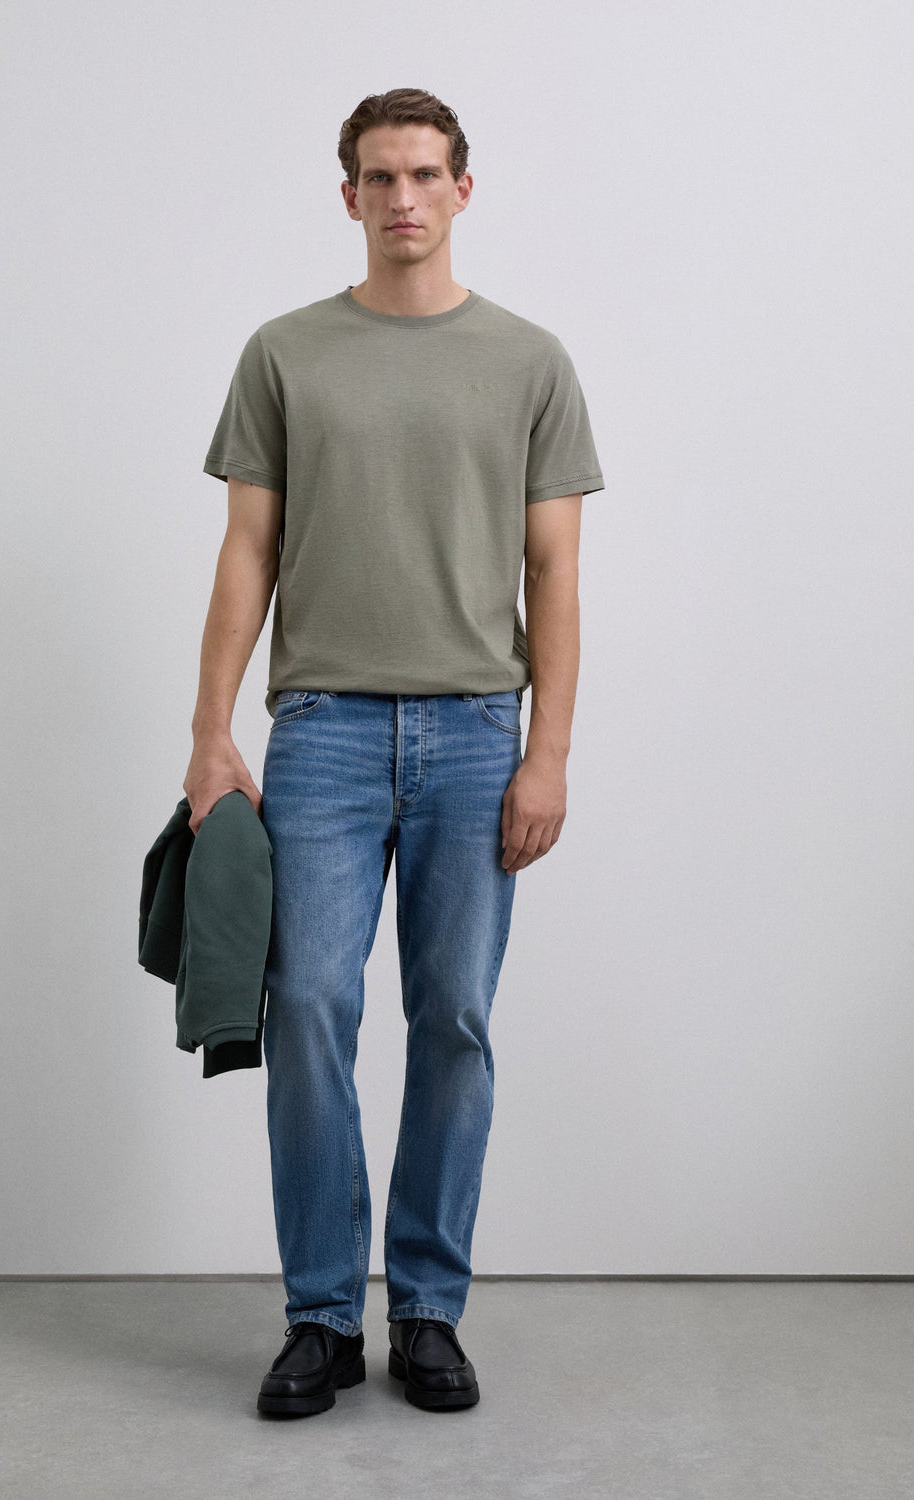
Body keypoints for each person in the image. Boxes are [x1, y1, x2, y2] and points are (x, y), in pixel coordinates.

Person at [183, 87, 605, 1418]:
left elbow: (555, 571)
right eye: (380, 175)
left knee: (455, 1019)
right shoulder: (285, 353)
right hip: (322, 731)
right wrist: (210, 735)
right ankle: (321, 1314)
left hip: (477, 732)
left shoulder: (530, 361)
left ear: (462, 190)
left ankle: (426, 1309)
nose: (403, 196)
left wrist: (549, 751)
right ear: (349, 194)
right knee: (310, 1005)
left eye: (425, 173)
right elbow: (247, 550)